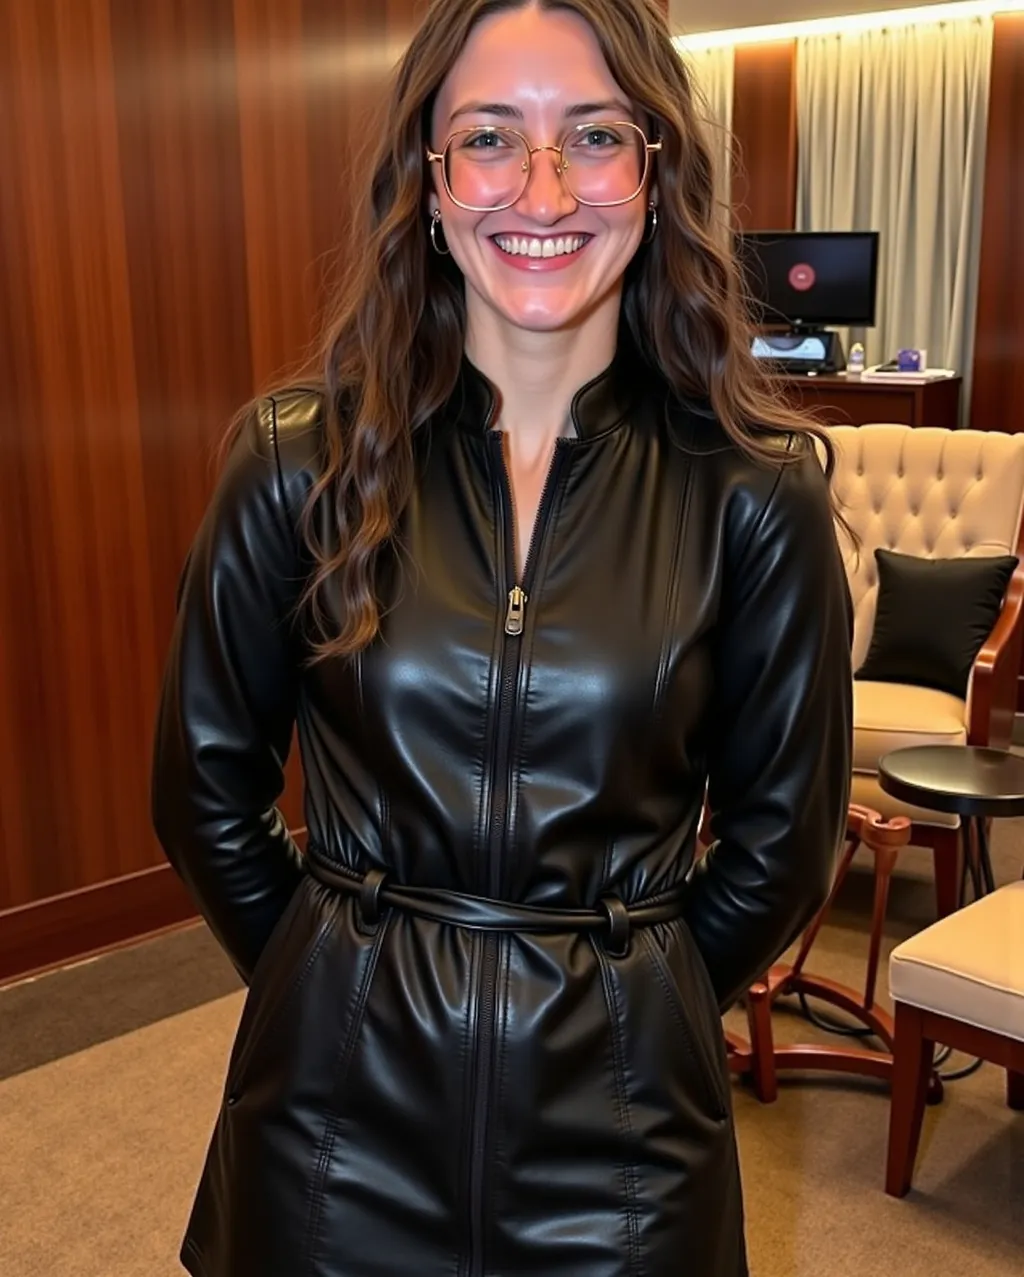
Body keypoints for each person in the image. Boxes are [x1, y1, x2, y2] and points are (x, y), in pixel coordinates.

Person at [151, 0, 853, 1273]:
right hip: (333, 1125)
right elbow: (203, 793)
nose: (541, 187)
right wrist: (339, 978)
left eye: (592, 134)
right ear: (428, 181)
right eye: (488, 137)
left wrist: (628, 997)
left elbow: (781, 845)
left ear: (654, 173)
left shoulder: (757, 491)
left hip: (625, 1139)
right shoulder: (291, 462)